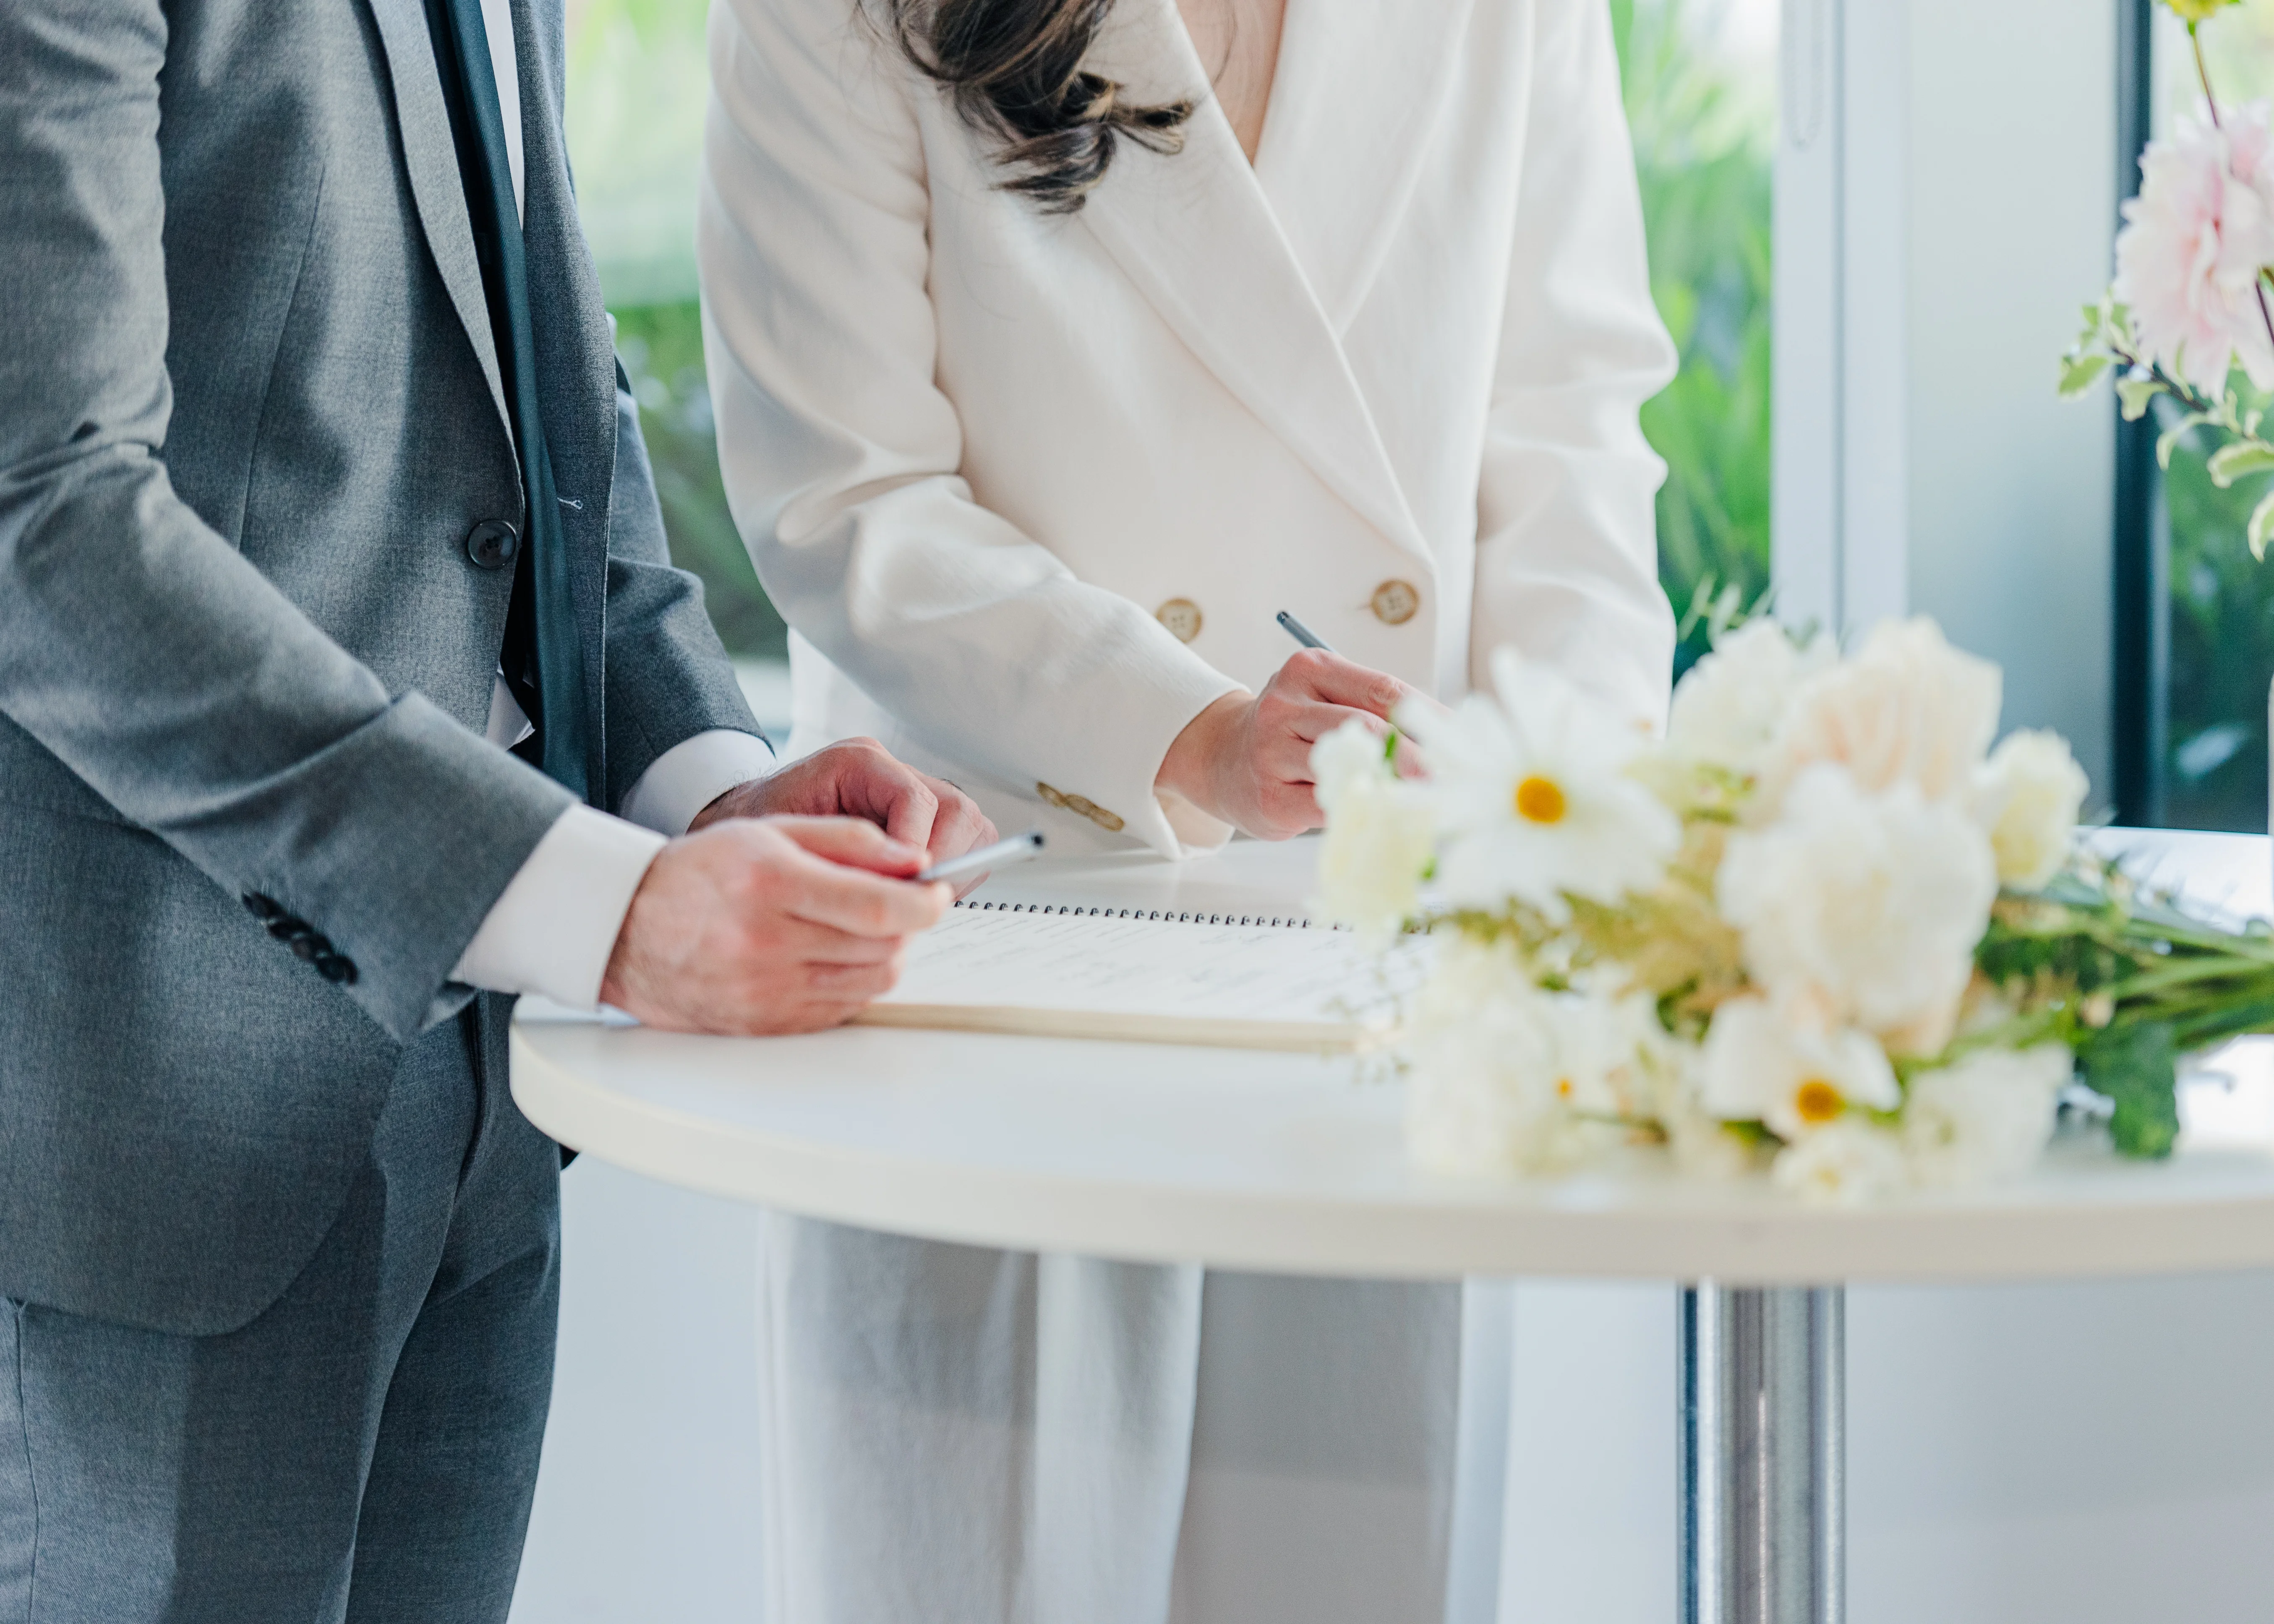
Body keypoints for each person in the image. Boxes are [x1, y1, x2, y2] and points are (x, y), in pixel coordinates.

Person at [0, 0, 992, 1616]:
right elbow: (45, 524)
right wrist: (592, 905)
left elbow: (542, 376)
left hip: (482, 1088)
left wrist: (707, 787)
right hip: (154, 1113)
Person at [699, 0, 1677, 1615]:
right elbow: (848, 493)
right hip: (1004, 932)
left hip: (1389, 958)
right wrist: (1188, 727)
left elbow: (1571, 436)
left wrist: (1559, 799)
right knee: (989, 1565)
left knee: (1362, 1560)